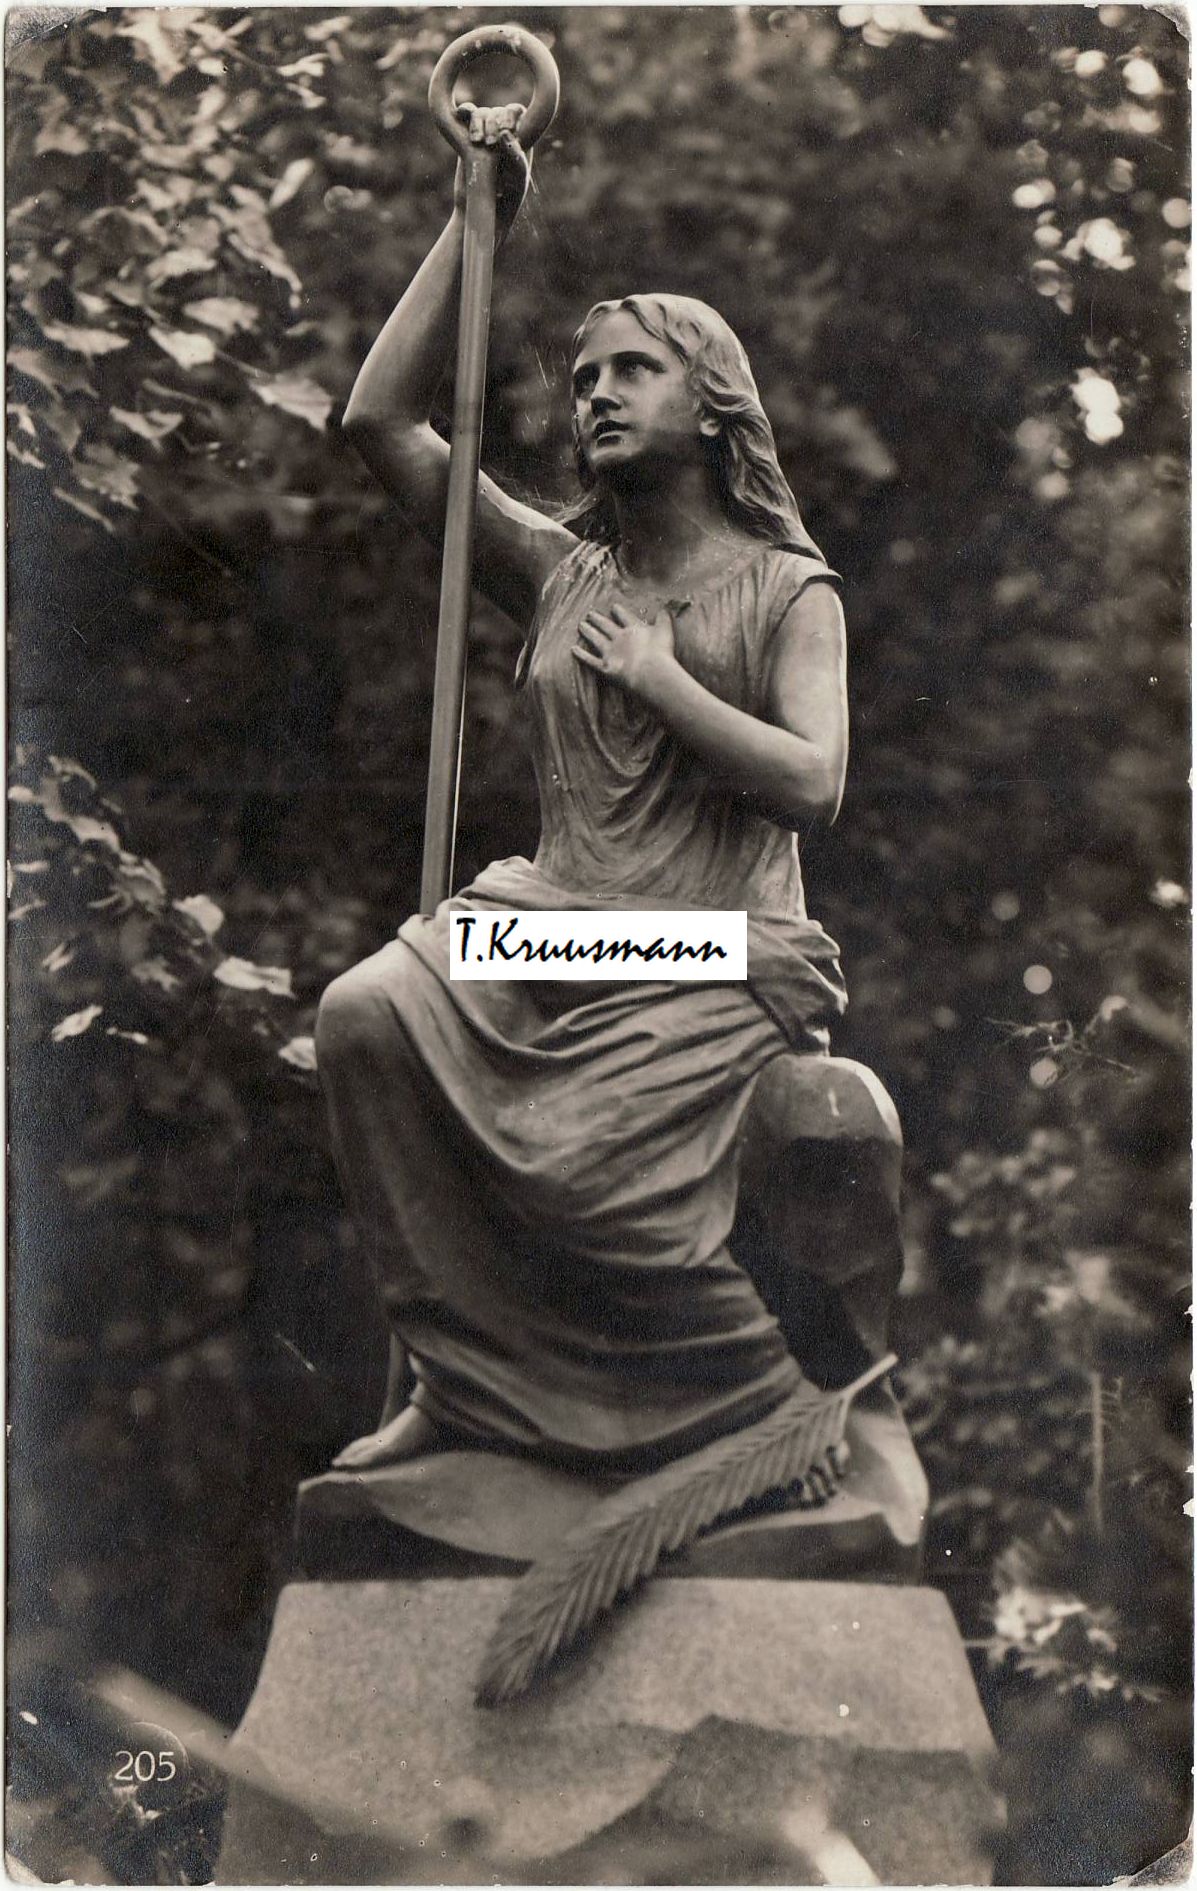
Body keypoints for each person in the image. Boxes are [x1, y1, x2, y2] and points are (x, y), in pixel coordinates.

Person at [316, 105, 856, 1485]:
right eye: (584, 376)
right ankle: (462, 1377)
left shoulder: (788, 590)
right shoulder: (562, 574)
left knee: (570, 1157)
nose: (597, 394)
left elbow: (814, 783)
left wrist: (665, 682)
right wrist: (477, 222)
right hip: (556, 923)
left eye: (634, 370)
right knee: (367, 1012)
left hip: (711, 945)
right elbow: (378, 421)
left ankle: (763, 1402)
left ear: (712, 403)